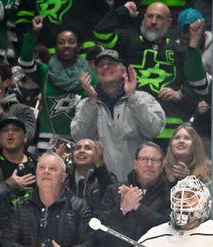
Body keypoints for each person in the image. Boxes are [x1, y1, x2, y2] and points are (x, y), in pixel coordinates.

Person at [93, 2, 208, 144]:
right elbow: (101, 32)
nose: (153, 22)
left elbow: (200, 86)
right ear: (143, 18)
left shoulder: (178, 51)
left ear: (169, 22)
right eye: (150, 16)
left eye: (159, 18)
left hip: (167, 128)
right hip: (130, 125)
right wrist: (123, 11)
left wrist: (181, 94)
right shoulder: (127, 42)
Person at [71, 47, 166, 179]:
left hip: (139, 181)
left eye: (111, 63)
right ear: (95, 72)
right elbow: (79, 136)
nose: (105, 67)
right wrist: (92, 100)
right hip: (101, 182)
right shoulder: (87, 104)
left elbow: (154, 130)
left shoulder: (143, 98)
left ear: (123, 71)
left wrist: (132, 98)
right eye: (100, 65)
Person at [18, 22, 96, 154]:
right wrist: (33, 34)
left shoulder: (89, 76)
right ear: (55, 46)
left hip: (79, 144)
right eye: (61, 42)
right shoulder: (45, 72)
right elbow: (25, 62)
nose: (66, 45)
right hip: (47, 142)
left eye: (71, 42)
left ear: (79, 45)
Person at [97, 142, 171, 247]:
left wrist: (138, 207)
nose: (149, 164)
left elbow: (168, 228)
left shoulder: (170, 194)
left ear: (162, 165)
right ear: (135, 164)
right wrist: (122, 209)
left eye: (154, 160)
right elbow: (99, 228)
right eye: (144, 159)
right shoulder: (115, 190)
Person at [0, 116, 38, 198]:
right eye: (5, 130)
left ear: (25, 137)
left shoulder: (39, 165)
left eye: (16, 130)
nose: (10, 133)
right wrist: (9, 185)